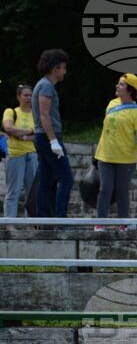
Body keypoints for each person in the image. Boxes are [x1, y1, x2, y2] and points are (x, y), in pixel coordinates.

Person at [94, 74, 137, 230]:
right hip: (105, 155)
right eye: (118, 84)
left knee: (122, 191)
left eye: (121, 85)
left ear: (130, 90)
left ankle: (123, 223)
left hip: (126, 159)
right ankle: (100, 223)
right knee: (105, 189)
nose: (117, 86)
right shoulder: (111, 104)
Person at [31, 48, 73, 218]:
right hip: (48, 137)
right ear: (55, 68)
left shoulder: (44, 84)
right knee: (66, 179)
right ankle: (61, 219)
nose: (65, 71)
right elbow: (44, 114)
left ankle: (44, 218)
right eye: (63, 67)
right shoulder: (46, 86)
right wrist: (53, 141)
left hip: (43, 137)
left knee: (46, 180)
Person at [2, 85, 37, 218]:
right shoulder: (11, 112)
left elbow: (40, 134)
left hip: (32, 155)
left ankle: (30, 223)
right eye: (26, 95)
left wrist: (20, 134)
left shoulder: (36, 114)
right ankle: (9, 223)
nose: (29, 98)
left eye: (31, 95)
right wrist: (29, 132)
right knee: (13, 192)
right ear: (18, 97)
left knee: (32, 193)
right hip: (16, 155)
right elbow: (9, 128)